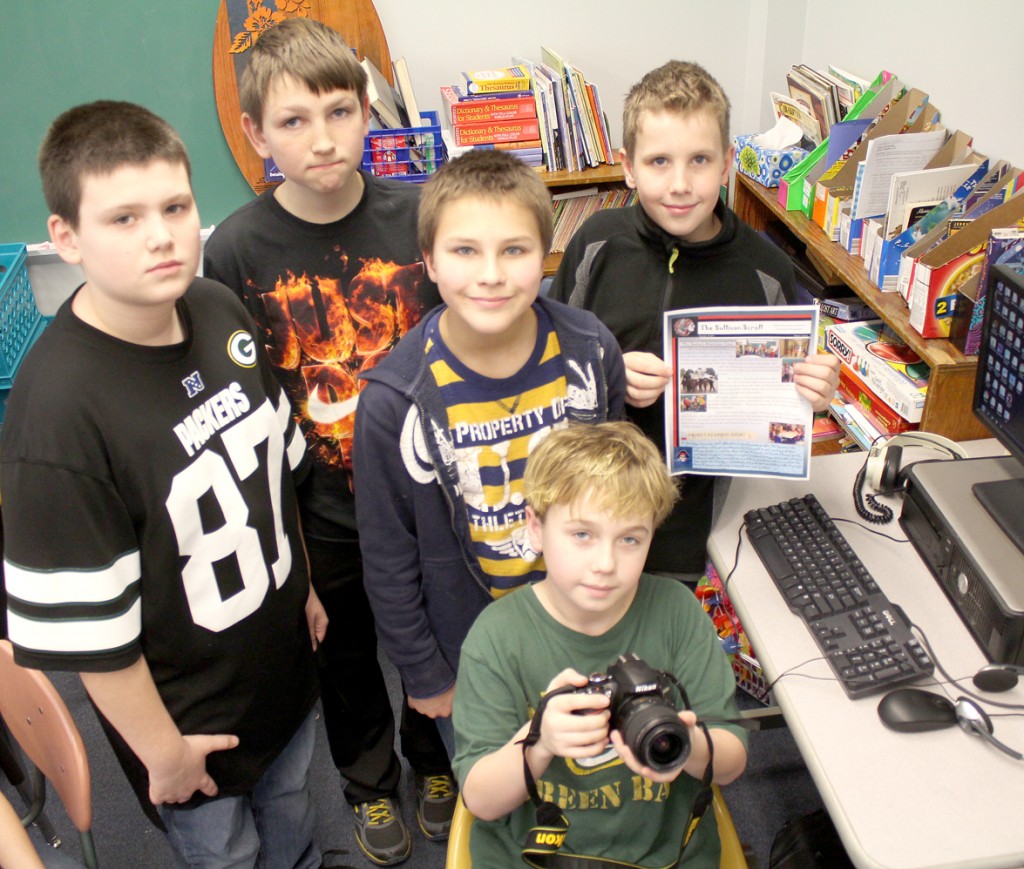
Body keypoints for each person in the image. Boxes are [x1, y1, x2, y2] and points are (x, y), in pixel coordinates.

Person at [1, 100, 325, 869]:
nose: (161, 235)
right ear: (66, 237)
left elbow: (274, 470)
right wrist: (163, 752)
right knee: (228, 853)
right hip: (187, 725)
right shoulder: (57, 415)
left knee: (296, 820)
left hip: (277, 670)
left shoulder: (216, 307)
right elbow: (93, 637)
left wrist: (305, 585)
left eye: (176, 206)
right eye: (123, 218)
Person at [202, 18, 451, 864]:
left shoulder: (420, 214)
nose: (321, 138)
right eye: (293, 121)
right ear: (256, 133)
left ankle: (434, 762)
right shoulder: (236, 248)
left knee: (434, 634)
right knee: (343, 655)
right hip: (320, 505)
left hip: (427, 491)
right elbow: (246, 396)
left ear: (368, 109)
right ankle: (369, 783)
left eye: (339, 111)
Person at [352, 149, 626, 762]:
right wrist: (425, 673)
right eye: (464, 251)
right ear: (427, 260)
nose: (491, 275)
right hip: (470, 650)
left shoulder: (589, 352)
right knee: (500, 793)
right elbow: (388, 557)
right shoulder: (395, 404)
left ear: (545, 253)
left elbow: (618, 498)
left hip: (583, 625)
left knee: (589, 780)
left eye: (514, 250)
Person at [549, 60, 840, 582]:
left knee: (666, 645)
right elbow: (547, 362)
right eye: (659, 161)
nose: (680, 184)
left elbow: (780, 396)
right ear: (629, 167)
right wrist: (609, 374)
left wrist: (811, 396)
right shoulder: (596, 243)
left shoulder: (766, 270)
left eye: (700, 160)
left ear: (728, 163)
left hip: (689, 524)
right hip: (588, 509)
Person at [452, 421, 748, 866]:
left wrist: (681, 737)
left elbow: (731, 764)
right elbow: (482, 801)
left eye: (630, 538)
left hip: (665, 854)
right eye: (582, 535)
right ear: (535, 528)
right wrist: (541, 742)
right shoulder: (496, 637)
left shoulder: (677, 612)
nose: (606, 563)